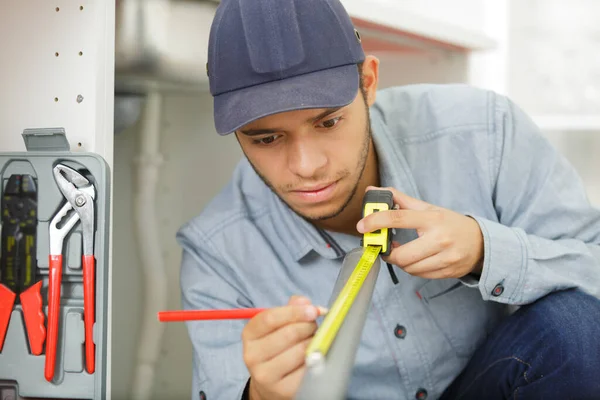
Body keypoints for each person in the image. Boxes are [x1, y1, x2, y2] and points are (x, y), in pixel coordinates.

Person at [176, 0, 600, 399]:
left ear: (369, 82)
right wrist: (262, 395)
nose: (306, 166)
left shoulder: (485, 132)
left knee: (576, 325)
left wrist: (484, 250)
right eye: (267, 138)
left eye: (328, 121)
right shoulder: (216, 253)